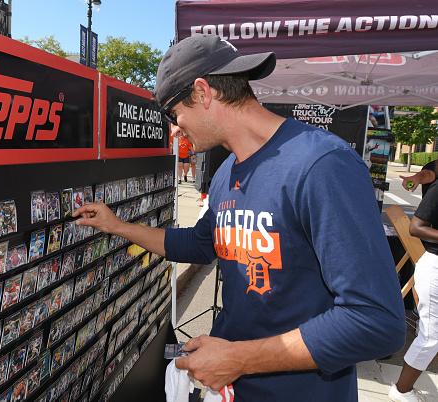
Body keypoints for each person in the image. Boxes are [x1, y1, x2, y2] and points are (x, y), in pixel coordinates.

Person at [73, 34, 405, 401]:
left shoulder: (322, 164)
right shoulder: (226, 172)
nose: (174, 129)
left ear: (202, 92)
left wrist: (238, 358)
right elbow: (200, 244)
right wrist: (116, 226)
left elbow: (376, 321)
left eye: (172, 113)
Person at [389, 164, 438, 401]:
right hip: (435, 267)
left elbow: (429, 171)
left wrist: (417, 178)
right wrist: (418, 178)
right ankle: (401, 390)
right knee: (431, 336)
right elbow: (415, 227)